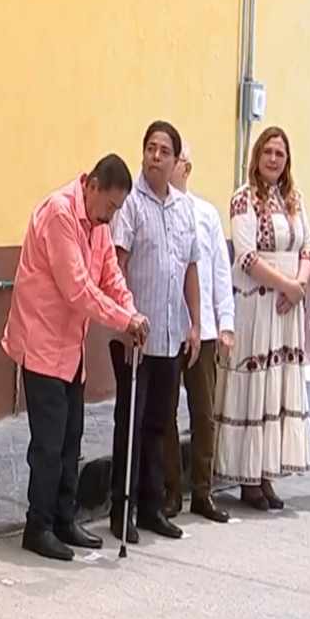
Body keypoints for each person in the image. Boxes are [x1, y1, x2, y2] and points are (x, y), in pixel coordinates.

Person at [3, 155, 148, 561]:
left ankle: (64, 519)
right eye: (110, 206)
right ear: (93, 186)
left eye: (118, 209)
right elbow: (78, 289)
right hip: (42, 343)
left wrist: (131, 310)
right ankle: (39, 525)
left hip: (71, 349)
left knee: (71, 439)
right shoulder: (59, 214)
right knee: (48, 444)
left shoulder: (97, 225)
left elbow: (108, 276)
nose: (112, 216)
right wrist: (123, 319)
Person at [213, 127, 310, 508]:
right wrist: (285, 285)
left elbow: (308, 246)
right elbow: (245, 255)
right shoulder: (243, 200)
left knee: (278, 385)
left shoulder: (294, 199)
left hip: (288, 306)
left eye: (280, 153)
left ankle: (267, 471)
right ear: (256, 157)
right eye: (268, 152)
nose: (274, 159)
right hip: (258, 304)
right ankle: (248, 478)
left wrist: (299, 284)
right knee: (255, 387)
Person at [109, 121, 201, 543]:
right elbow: (117, 265)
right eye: (150, 148)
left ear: (177, 160)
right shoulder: (130, 204)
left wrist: (196, 324)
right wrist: (125, 319)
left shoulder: (184, 209)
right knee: (130, 422)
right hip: (136, 336)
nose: (155, 156)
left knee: (159, 424)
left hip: (170, 335)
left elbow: (190, 270)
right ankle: (121, 510)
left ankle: (151, 506)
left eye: (164, 150)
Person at [161, 147, 235, 523]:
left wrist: (226, 324)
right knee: (166, 414)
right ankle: (172, 491)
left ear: (185, 167)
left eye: (173, 158)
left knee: (204, 415)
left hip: (203, 330)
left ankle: (202, 491)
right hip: (168, 329)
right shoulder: (157, 211)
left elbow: (220, 272)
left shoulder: (206, 213)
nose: (165, 163)